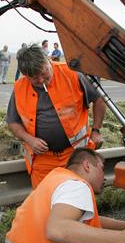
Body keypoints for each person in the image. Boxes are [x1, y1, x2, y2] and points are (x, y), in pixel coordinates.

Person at [6, 44, 106, 188]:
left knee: (79, 197)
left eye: (43, 72)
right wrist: (30, 140)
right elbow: (13, 122)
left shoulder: (73, 74)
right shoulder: (19, 89)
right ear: (24, 75)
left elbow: (99, 99)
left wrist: (96, 130)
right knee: (45, 201)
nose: (40, 80)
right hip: (42, 160)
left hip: (76, 155)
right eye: (34, 78)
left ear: (49, 60)